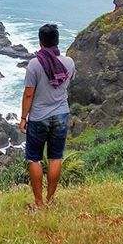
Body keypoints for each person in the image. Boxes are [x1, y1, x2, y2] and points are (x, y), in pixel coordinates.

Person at [19, 23, 76, 211]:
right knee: (55, 157)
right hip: (61, 114)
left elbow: (28, 94)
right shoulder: (69, 62)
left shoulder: (35, 65)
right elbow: (66, 85)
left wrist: (23, 118)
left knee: (34, 158)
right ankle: (51, 200)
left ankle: (39, 202)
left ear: (40, 41)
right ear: (57, 41)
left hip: (38, 117)